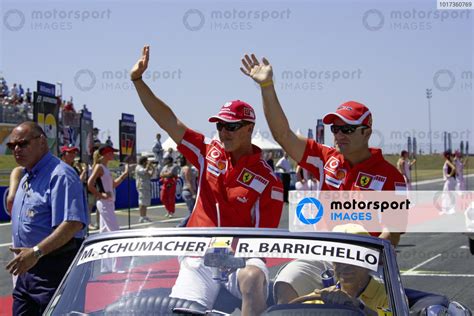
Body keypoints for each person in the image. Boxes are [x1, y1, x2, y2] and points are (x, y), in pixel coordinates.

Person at [240, 53, 406, 303]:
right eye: (335, 129)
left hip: (366, 261)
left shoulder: (391, 177)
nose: (339, 135)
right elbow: (283, 135)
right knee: (286, 282)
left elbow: (391, 235)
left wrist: (356, 263)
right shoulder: (325, 158)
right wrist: (266, 86)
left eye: (348, 129)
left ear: (367, 132)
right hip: (323, 255)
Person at [131, 45, 283, 315]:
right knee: (181, 311)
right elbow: (168, 121)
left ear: (249, 129)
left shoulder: (269, 179)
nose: (224, 132)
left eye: (232, 126)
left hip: (242, 259)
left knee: (250, 278)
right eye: (220, 126)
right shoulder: (206, 152)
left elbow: (263, 238)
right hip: (200, 256)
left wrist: (237, 259)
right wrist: (138, 81)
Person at [5, 122, 87, 315]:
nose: (17, 149)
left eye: (23, 143)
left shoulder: (60, 175)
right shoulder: (26, 176)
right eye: (12, 146)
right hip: (28, 270)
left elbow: (72, 224)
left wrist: (36, 252)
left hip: (54, 270)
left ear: (42, 142)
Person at [291, 224, 389, 316]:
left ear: (370, 260)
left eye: (353, 256)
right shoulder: (318, 299)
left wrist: (358, 306)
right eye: (339, 256)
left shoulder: (389, 297)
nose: (345, 265)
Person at [87, 145, 129, 234]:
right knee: (115, 231)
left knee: (105, 232)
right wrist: (101, 195)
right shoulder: (99, 167)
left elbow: (112, 185)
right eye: (111, 152)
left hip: (109, 202)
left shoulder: (105, 168)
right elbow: (89, 184)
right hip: (104, 202)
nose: (113, 154)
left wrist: (124, 175)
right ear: (106, 153)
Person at [177, 156, 197, 227]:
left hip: (187, 191)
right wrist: (193, 193)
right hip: (189, 191)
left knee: (193, 211)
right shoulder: (187, 168)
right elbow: (189, 182)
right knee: (192, 211)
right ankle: (180, 226)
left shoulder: (186, 168)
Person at [135, 156, 154, 223]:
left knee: (145, 202)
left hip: (146, 186)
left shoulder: (144, 167)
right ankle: (141, 217)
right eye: (146, 161)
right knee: (142, 202)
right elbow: (144, 171)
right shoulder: (139, 167)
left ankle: (144, 216)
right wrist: (148, 165)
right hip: (141, 186)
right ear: (144, 161)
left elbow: (150, 174)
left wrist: (152, 167)